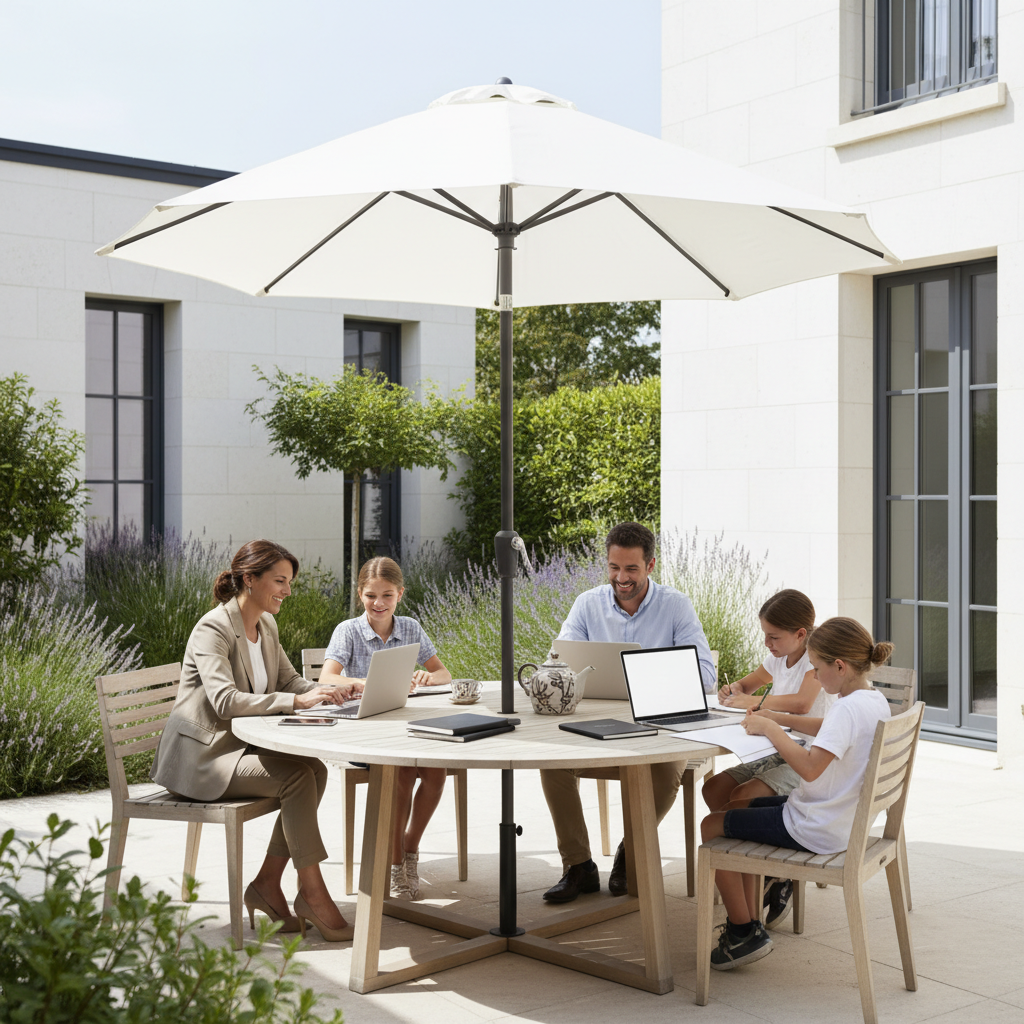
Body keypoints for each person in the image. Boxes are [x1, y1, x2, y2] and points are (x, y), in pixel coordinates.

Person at [151, 539, 355, 942]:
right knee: (296, 778)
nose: (287, 591)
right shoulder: (213, 628)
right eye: (279, 581)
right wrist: (297, 700)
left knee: (312, 769)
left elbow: (287, 681)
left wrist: (331, 690)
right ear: (249, 579)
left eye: (289, 582)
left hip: (238, 750)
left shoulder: (266, 624)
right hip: (203, 758)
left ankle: (267, 884)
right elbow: (224, 701)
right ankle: (311, 891)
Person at [699, 617, 893, 971]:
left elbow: (808, 768)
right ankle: (751, 919)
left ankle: (743, 932)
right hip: (839, 819)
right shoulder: (872, 699)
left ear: (839, 665)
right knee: (737, 805)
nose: (815, 678)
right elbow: (827, 728)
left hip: (815, 827)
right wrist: (775, 715)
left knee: (712, 826)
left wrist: (772, 729)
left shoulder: (847, 708)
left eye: (817, 670)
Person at [541, 522, 716, 903]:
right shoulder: (588, 603)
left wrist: (652, 679)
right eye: (614, 568)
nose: (621, 578)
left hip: (660, 723)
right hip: (597, 720)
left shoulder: (675, 605)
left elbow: (706, 675)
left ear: (650, 565)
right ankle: (579, 865)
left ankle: (629, 851)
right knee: (551, 763)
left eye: (631, 569)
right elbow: (559, 661)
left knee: (667, 772)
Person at [319, 556, 452, 900]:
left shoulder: (409, 627)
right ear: (359, 594)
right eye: (371, 596)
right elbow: (327, 677)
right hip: (367, 734)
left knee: (436, 773)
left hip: (406, 726)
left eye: (387, 596)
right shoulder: (348, 631)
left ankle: (410, 847)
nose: (378, 604)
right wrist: (364, 682)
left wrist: (426, 675)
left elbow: (443, 674)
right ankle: (394, 865)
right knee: (403, 774)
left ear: (400, 594)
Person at [702, 589, 834, 927]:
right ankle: (752, 879)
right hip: (776, 748)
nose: (767, 643)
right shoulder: (777, 657)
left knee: (742, 799)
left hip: (806, 753)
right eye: (764, 635)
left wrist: (759, 705)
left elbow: (803, 703)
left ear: (800, 634)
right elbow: (747, 685)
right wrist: (734, 691)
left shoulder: (814, 661)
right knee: (714, 790)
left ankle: (762, 888)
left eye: (774, 636)